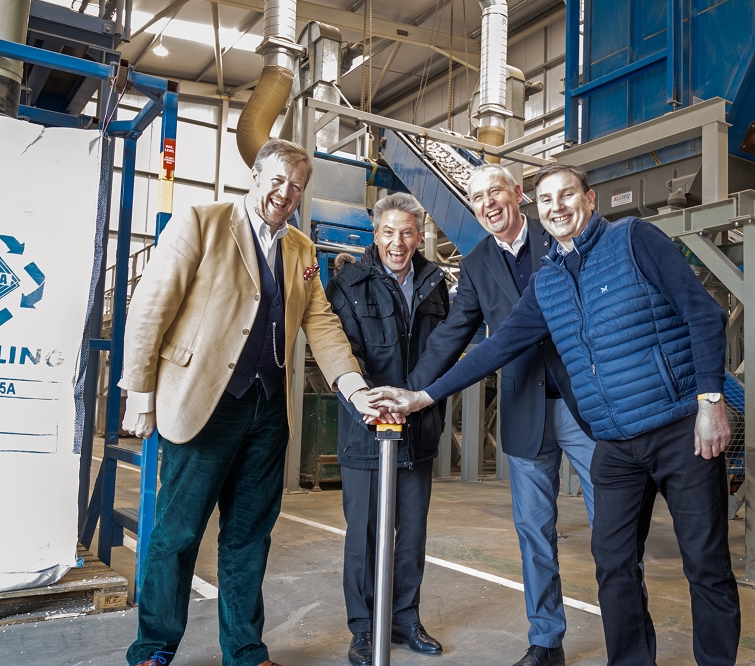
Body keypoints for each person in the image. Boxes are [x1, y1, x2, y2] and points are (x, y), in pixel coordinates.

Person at [368, 163, 742, 666]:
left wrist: (710, 401)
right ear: (538, 209)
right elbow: (494, 347)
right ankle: (609, 655)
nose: (557, 207)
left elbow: (704, 314)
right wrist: (421, 396)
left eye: (567, 196)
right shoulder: (547, 281)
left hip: (670, 426)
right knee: (609, 561)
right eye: (549, 200)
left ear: (589, 199)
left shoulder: (634, 239)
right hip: (610, 437)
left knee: (705, 562)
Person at [119, 139, 380, 666]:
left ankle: (245, 649)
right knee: (178, 532)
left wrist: (351, 386)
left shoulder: (302, 250)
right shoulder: (202, 221)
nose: (286, 193)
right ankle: (153, 648)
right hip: (203, 406)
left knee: (249, 537)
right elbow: (151, 305)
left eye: (297, 186)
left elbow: (321, 321)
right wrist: (139, 392)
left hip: (266, 412)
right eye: (278, 180)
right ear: (255, 177)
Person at [406, 164, 596, 666]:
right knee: (534, 532)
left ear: (518, 194)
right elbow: (451, 335)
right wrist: (411, 390)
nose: (488, 203)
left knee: (614, 526)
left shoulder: (559, 233)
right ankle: (546, 641)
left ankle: (629, 636)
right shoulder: (476, 264)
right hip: (524, 408)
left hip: (585, 407)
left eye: (496, 192)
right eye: (477, 198)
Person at [325, 192, 450, 666]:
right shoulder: (348, 284)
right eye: (388, 232)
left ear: (420, 236)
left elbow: (442, 352)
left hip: (418, 429)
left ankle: (404, 619)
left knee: (412, 533)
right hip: (366, 430)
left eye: (407, 233)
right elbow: (344, 352)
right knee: (365, 534)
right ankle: (363, 629)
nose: (398, 242)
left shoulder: (435, 284)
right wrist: (376, 404)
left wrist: (416, 403)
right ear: (374, 234)